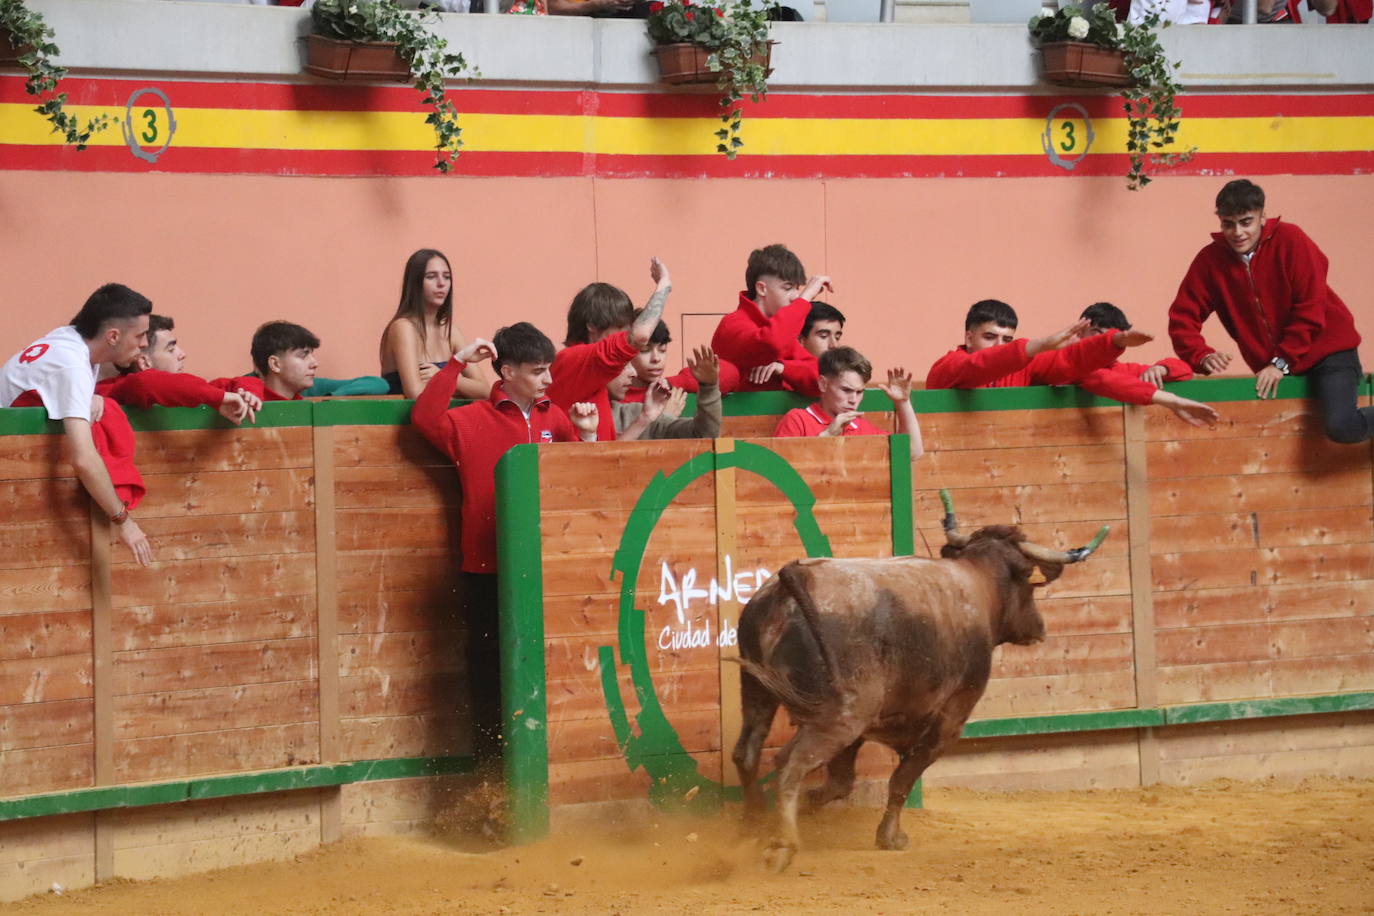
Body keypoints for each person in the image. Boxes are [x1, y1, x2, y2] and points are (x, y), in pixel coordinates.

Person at [411, 321, 598, 760]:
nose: (548, 380)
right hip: (486, 569)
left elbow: (581, 483)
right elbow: (423, 417)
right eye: (538, 371)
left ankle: (549, 761)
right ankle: (492, 768)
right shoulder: (470, 421)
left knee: (553, 664)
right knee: (489, 671)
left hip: (548, 566)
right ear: (507, 372)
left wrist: (587, 437)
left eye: (549, 369)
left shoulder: (558, 418)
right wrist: (457, 363)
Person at [1169, 179, 1371, 443]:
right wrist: (1200, 355)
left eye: (1246, 222)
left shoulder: (1292, 240)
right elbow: (1182, 316)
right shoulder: (1210, 261)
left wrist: (1281, 362)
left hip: (1329, 353)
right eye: (1228, 224)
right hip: (1275, 367)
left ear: (1262, 216)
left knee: (1341, 426)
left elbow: (1311, 306)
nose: (1237, 232)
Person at [0, 283, 154, 566]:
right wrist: (124, 521)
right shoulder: (71, 365)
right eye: (141, 335)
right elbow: (83, 459)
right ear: (112, 336)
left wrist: (91, 395)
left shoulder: (68, 339)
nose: (145, 343)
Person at [548, 257, 672, 443]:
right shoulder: (573, 360)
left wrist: (645, 418)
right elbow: (639, 336)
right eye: (621, 329)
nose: (624, 337)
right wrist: (665, 285)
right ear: (592, 326)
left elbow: (605, 453)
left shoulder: (594, 376)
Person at [711, 243, 833, 393]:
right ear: (761, 289)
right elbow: (772, 343)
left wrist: (783, 368)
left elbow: (822, 380)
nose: (795, 296)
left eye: (797, 289)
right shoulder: (732, 324)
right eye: (788, 288)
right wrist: (805, 298)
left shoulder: (780, 328)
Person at [99, 314, 262, 424]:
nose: (182, 354)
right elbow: (145, 383)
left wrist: (246, 393)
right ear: (144, 362)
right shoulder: (111, 390)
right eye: (170, 350)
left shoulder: (190, 390)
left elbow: (242, 382)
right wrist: (218, 397)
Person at [773, 347, 924, 462]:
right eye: (846, 390)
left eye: (859, 392)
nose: (853, 400)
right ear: (823, 384)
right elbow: (781, 474)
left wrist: (903, 403)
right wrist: (827, 436)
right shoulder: (797, 420)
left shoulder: (861, 427)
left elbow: (912, 451)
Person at [379, 249, 490, 400]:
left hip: (444, 420)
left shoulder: (449, 330)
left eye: (447, 277)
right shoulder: (403, 327)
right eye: (431, 277)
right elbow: (415, 393)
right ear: (415, 283)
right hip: (402, 422)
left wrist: (443, 377)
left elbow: (484, 391)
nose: (441, 283)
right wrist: (461, 388)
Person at [611, 345, 722, 440]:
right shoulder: (598, 418)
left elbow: (705, 436)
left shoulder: (638, 412)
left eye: (663, 349)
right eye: (624, 365)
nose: (633, 373)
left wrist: (708, 387)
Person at [747, 301, 846, 398]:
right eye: (823, 336)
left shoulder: (845, 373)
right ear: (799, 339)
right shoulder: (770, 367)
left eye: (837, 337)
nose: (834, 345)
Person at [212, 321, 321, 402]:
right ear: (275, 364)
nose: (315, 364)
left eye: (312, 355)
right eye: (303, 355)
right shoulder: (240, 392)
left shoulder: (301, 405)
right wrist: (246, 390)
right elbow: (206, 390)